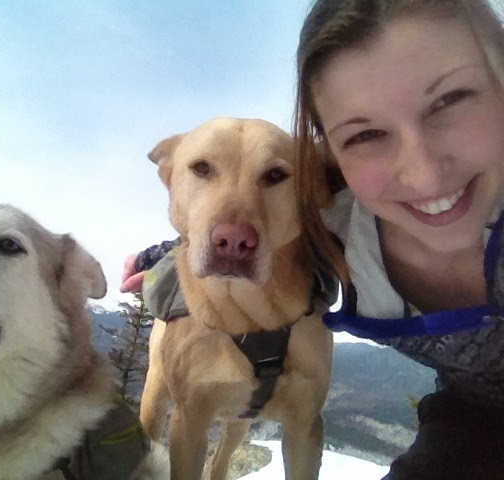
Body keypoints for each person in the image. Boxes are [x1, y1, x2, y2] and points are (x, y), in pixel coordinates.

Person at [122, 1, 504, 478]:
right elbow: (228, 226)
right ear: (332, 163)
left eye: (450, 100)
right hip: (473, 417)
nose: (424, 173)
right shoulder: (346, 219)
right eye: (365, 134)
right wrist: (153, 257)